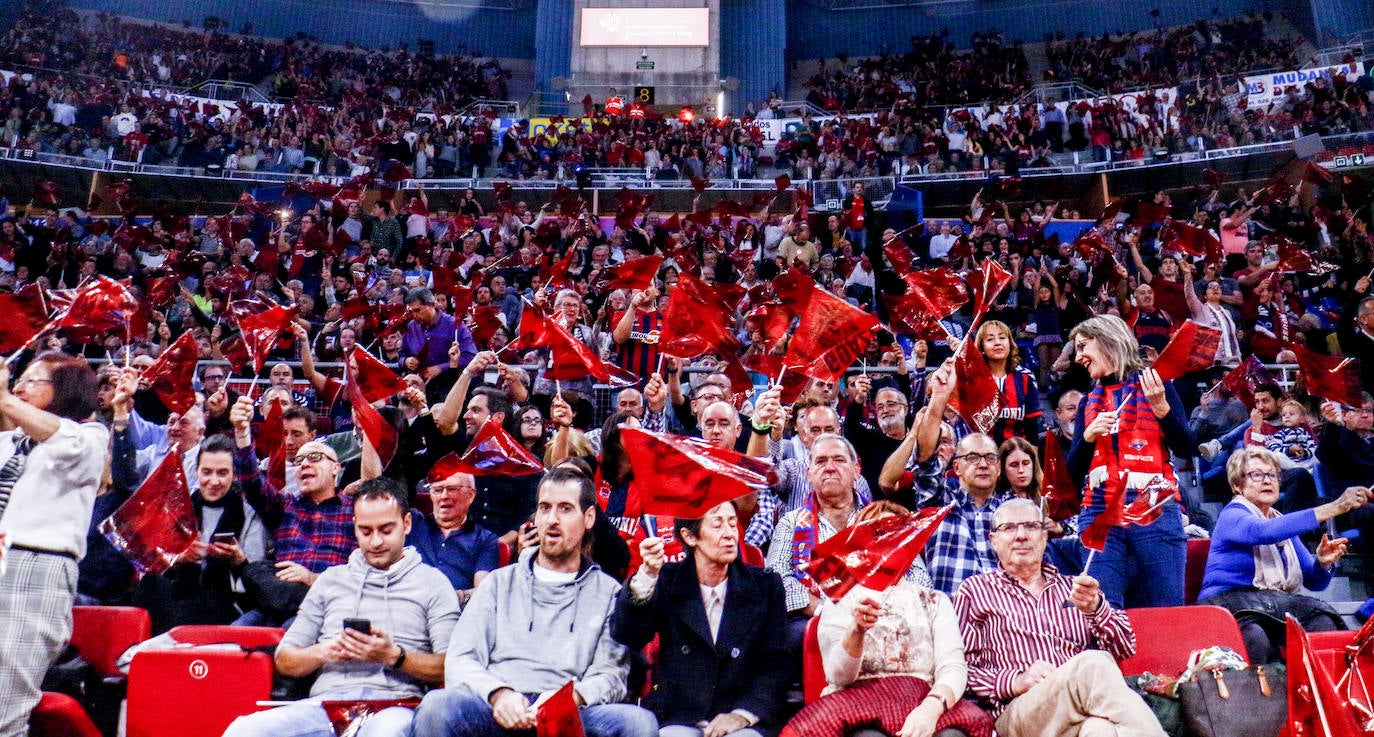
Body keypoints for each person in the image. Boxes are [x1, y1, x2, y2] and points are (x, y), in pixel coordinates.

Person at [410, 468, 658, 737]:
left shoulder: (608, 592)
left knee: (638, 722)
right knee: (438, 706)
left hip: (570, 713)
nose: (552, 519)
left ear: (588, 518)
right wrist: (498, 694)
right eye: (544, 508)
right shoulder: (498, 583)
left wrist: (571, 697)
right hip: (498, 709)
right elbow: (461, 658)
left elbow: (611, 675)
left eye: (565, 509)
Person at [222, 479, 459, 737]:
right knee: (244, 729)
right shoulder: (330, 581)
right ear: (354, 528)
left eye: (386, 530)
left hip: (394, 705)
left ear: (407, 524)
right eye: (366, 531)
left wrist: (393, 656)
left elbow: (452, 665)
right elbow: (285, 660)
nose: (376, 541)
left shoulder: (433, 583)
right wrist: (324, 651)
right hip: (326, 706)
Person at [953, 499, 1163, 737]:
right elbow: (960, 673)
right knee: (1093, 664)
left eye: (1031, 526)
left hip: (1081, 712)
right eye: (1009, 528)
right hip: (1017, 714)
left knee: (1099, 729)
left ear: (1045, 536)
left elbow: (1125, 647)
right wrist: (1016, 680)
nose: (1021, 535)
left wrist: (1096, 609)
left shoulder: (1076, 589)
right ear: (993, 540)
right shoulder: (974, 590)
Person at [783, 501, 990, 737]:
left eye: (898, 531)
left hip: (922, 698)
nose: (888, 540)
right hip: (855, 703)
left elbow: (952, 666)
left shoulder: (935, 600)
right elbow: (838, 675)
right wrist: (856, 631)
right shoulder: (841, 598)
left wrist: (930, 710)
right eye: (878, 533)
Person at [611, 501, 791, 737]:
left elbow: (777, 665)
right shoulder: (667, 580)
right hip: (681, 715)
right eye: (717, 525)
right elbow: (628, 634)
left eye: (732, 523)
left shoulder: (766, 586)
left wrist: (743, 714)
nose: (729, 534)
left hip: (741, 714)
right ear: (689, 536)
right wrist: (646, 575)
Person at [0, 354, 106, 737]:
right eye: (18, 381)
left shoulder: (90, 438)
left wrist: (5, 399)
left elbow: (65, 440)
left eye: (32, 381)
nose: (18, 388)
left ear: (63, 392)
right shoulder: (14, 442)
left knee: (3, 708)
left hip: (35, 568)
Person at [1066, 315, 1195, 609]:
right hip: (1098, 510)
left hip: (1155, 504)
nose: (1078, 357)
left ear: (1109, 340)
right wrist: (1087, 437)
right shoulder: (1087, 403)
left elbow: (1187, 448)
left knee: (1167, 608)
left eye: (1083, 346)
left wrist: (1162, 409)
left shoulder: (1157, 385)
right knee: (1101, 611)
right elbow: (1070, 478)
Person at [1199, 447, 1366, 664]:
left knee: (1323, 621)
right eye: (1256, 475)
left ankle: (1316, 692)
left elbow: (1315, 582)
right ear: (1237, 486)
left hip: (1272, 604)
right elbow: (1263, 532)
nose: (1267, 481)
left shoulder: (1280, 523)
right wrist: (1335, 507)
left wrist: (1323, 563)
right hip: (1229, 603)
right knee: (1255, 635)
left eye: (1272, 475)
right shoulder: (1232, 515)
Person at [765, 434, 868, 666]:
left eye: (839, 460)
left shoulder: (881, 521)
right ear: (809, 474)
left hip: (876, 615)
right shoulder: (790, 523)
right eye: (820, 461)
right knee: (793, 636)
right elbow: (776, 579)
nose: (829, 468)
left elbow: (917, 578)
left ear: (856, 470)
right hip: (814, 617)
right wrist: (823, 609)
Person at [408, 469, 500, 606]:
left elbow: (484, 591)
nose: (444, 496)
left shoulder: (485, 539)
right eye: (437, 490)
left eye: (452, 489)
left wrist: (454, 597)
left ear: (471, 495)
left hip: (456, 613)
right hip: (408, 607)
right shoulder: (412, 524)